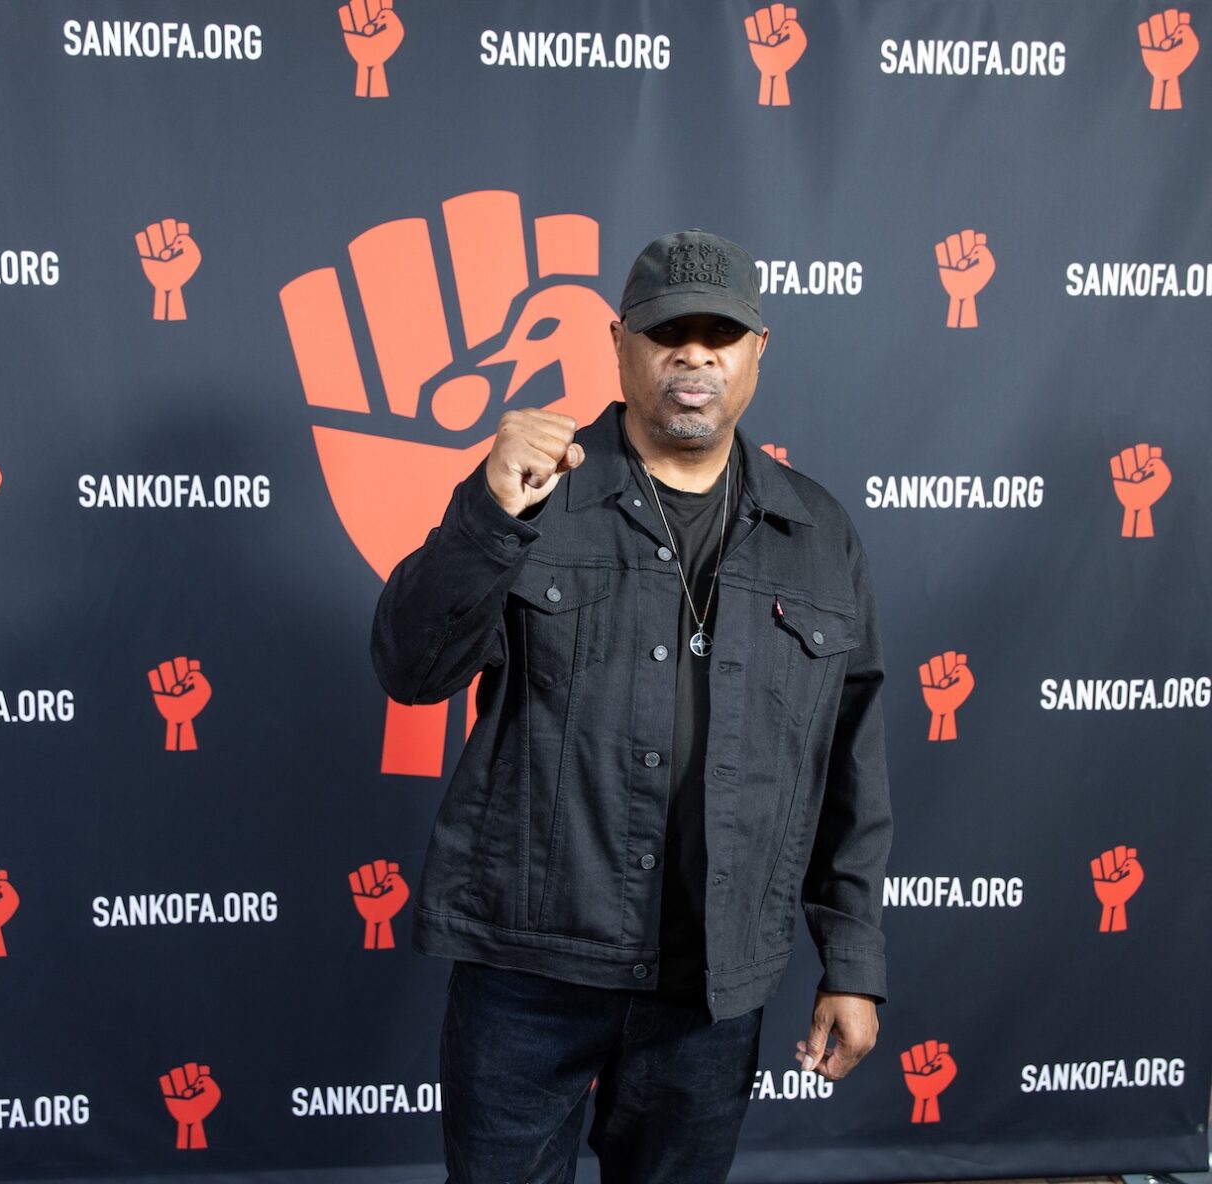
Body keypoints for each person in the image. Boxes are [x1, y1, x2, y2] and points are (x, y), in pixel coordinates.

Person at [372, 230, 892, 1183]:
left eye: (720, 334)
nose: (693, 355)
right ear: (619, 344)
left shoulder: (818, 535)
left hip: (710, 984)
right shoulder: (534, 496)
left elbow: (850, 763)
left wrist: (852, 958)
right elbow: (412, 670)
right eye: (666, 332)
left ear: (756, 353)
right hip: (531, 966)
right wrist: (487, 517)